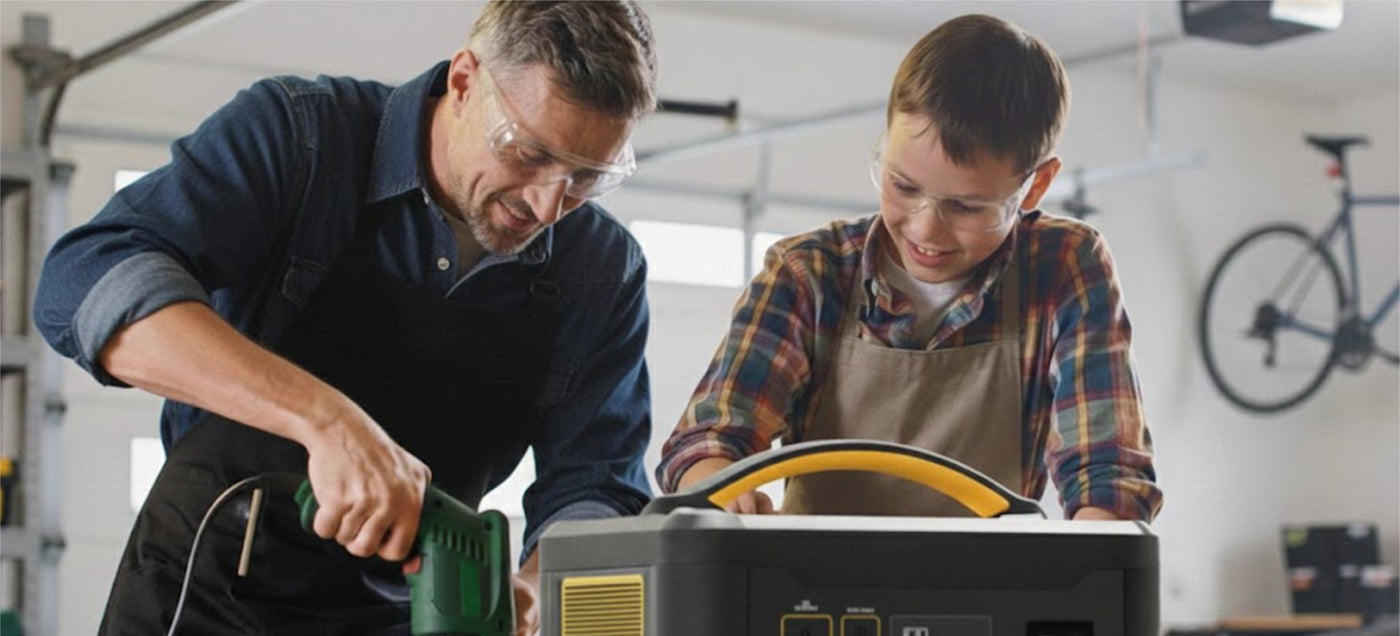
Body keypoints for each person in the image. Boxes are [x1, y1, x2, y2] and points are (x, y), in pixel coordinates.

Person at [33, 2, 657, 634]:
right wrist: (324, 421)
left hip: (410, 612)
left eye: (587, 178)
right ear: (465, 82)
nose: (549, 205)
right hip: (204, 592)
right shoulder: (301, 139)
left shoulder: (602, 271)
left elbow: (597, 484)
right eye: (528, 153)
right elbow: (86, 278)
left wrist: (538, 589)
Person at [657, 14, 1162, 522]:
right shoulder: (808, 273)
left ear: (1034, 187)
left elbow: (1107, 476)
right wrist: (722, 490)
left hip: (994, 589)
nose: (926, 230)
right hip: (811, 587)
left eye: (966, 208)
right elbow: (710, 438)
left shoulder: (1063, 266)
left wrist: (1095, 558)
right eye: (903, 186)